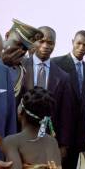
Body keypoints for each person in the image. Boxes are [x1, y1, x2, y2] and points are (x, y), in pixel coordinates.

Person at [21, 26, 74, 160]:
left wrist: (63, 145)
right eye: (41, 41)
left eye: (50, 43)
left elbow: (65, 114)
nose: (45, 46)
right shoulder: (19, 68)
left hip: (48, 141)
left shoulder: (63, 77)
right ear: (34, 42)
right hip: (20, 137)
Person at [52, 30, 85, 169]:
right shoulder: (56, 63)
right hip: (58, 133)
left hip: (78, 136)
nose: (82, 47)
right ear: (72, 42)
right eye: (79, 43)